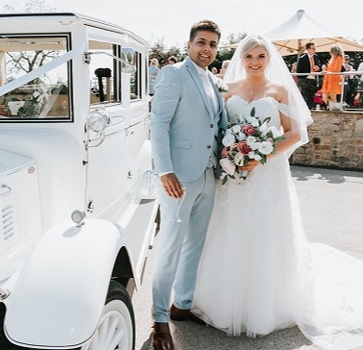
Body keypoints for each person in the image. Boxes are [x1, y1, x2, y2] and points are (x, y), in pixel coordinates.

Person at [193, 35, 363, 350]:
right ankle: (222, 298)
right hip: (234, 176)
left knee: (266, 232)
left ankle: (267, 304)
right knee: (230, 229)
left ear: (269, 59)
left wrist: (259, 155)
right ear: (241, 59)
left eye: (260, 56)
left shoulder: (280, 90)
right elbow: (216, 131)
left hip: (267, 175)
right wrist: (232, 156)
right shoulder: (227, 89)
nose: (254, 62)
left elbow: (295, 133)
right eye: (249, 57)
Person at [150, 20, 227, 350]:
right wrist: (165, 170)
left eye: (212, 44)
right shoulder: (174, 74)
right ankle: (158, 319)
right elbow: (159, 123)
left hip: (209, 173)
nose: (206, 49)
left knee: (195, 243)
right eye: (201, 42)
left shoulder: (211, 80)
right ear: (189, 44)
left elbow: (215, 125)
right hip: (179, 177)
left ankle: (181, 305)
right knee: (170, 246)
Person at [296, 42, 321, 109]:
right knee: (305, 97)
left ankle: (311, 109)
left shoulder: (315, 57)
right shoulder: (302, 58)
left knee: (312, 97)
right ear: (308, 49)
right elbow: (298, 71)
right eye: (313, 48)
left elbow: (319, 67)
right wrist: (306, 75)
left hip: (313, 79)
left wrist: (318, 68)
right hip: (305, 80)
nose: (314, 50)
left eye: (315, 48)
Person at [322, 44, 344, 109]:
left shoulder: (339, 58)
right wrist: (325, 69)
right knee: (324, 96)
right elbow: (330, 68)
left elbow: (336, 70)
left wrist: (327, 71)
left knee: (333, 95)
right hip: (329, 77)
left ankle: (335, 109)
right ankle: (332, 107)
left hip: (334, 78)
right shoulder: (332, 58)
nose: (330, 53)